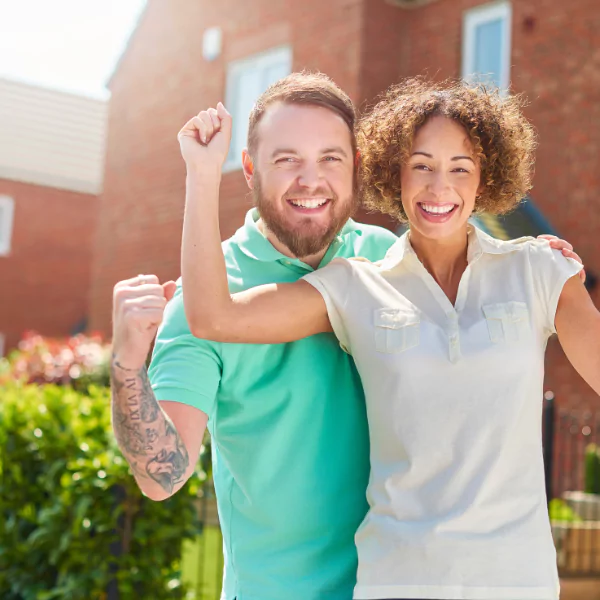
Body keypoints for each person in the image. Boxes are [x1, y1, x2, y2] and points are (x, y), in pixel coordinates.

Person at [111, 73, 581, 600]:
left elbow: (461, 260)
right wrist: (127, 367)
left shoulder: (388, 257)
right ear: (249, 167)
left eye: (330, 158)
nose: (311, 180)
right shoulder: (202, 300)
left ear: (356, 166)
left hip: (397, 581)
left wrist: (533, 261)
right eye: (286, 159)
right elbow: (162, 476)